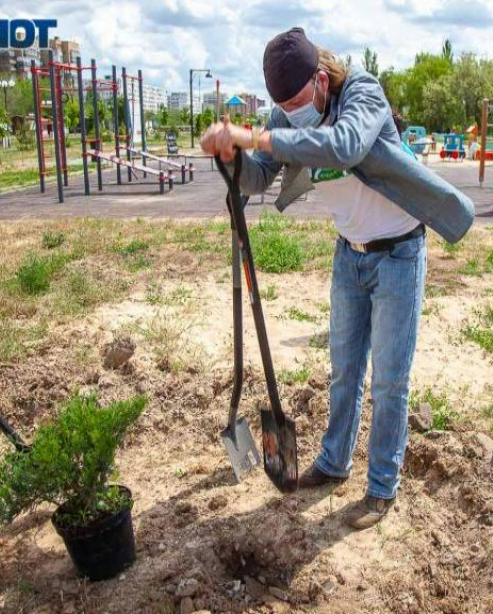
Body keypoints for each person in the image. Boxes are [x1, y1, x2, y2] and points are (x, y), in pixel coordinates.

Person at [200, 28, 473, 530]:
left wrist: (254, 136)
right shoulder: (285, 116)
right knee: (345, 370)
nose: (290, 113)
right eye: (282, 106)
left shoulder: (362, 93)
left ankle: (381, 489)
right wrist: (232, 155)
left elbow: (344, 147)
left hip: (399, 253)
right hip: (350, 255)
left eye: (298, 102)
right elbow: (259, 173)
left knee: (389, 382)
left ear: (322, 80)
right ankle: (333, 464)